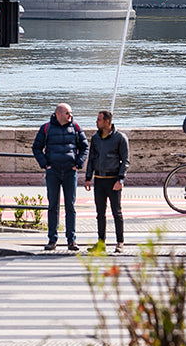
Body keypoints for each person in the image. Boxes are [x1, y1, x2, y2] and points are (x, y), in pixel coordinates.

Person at [32, 102, 88, 251]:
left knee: (70, 206)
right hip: (53, 172)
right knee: (53, 206)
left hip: (70, 172)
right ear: (59, 114)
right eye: (68, 113)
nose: (71, 115)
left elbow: (85, 147)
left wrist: (79, 163)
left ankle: (72, 240)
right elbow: (36, 147)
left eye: (70, 113)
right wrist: (45, 164)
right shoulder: (46, 128)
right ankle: (52, 240)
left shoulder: (75, 127)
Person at [83, 109, 129, 253]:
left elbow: (125, 161)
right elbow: (91, 158)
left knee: (117, 212)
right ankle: (101, 242)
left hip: (113, 179)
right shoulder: (95, 138)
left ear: (107, 122)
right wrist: (88, 177)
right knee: (100, 213)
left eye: (99, 120)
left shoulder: (120, 138)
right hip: (99, 180)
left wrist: (120, 179)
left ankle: (120, 242)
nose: (96, 122)